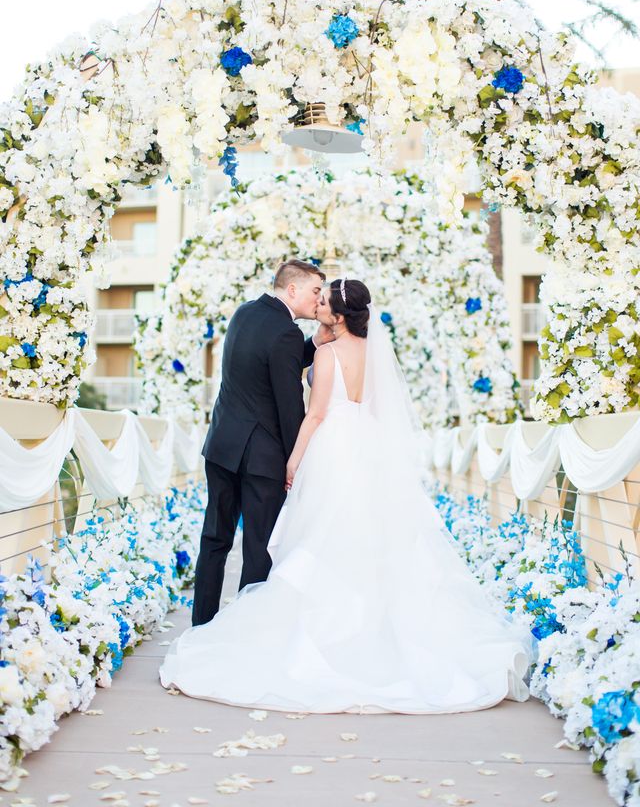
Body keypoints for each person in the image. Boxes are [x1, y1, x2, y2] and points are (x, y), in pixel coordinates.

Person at [162, 278, 537, 714]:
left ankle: (309, 633)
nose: (318, 305)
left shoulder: (325, 354)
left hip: (330, 450)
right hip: (369, 448)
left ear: (338, 316)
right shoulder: (373, 355)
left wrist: (293, 461)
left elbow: (316, 413)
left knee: (321, 537)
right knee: (372, 539)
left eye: (324, 302)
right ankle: (378, 635)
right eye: (316, 297)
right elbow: (376, 409)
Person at [191, 259, 330, 627]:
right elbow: (289, 406)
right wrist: (296, 460)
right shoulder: (284, 333)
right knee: (258, 548)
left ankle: (201, 626)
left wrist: (312, 343)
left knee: (214, 540)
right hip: (261, 459)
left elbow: (268, 360)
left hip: (222, 446)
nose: (319, 300)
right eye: (316, 291)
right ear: (293, 290)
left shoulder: (245, 314)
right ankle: (244, 631)